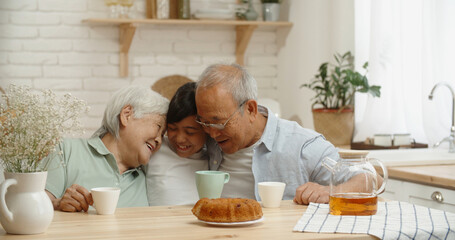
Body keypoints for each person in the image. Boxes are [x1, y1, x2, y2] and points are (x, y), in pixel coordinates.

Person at [194, 63, 383, 205]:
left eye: (219, 123)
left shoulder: (302, 145)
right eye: (204, 122)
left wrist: (331, 191)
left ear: (251, 109)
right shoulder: (205, 138)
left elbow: (371, 178)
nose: (211, 133)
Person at [44, 86, 169, 212]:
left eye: (162, 135)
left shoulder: (149, 175)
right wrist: (57, 204)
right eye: (158, 127)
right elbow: (34, 206)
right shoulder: (65, 150)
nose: (159, 140)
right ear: (127, 115)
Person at [146, 82, 220, 206]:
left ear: (206, 129)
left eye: (190, 132)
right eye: (172, 128)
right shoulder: (156, 149)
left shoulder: (214, 157)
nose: (179, 139)